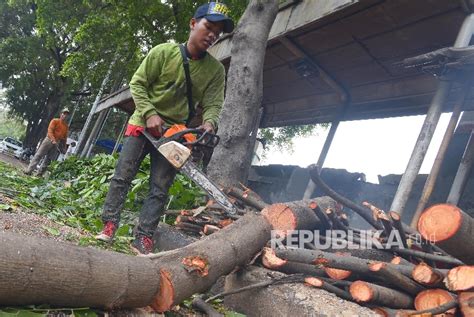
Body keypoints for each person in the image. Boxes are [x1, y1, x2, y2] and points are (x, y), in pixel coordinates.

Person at [95, 2, 234, 255]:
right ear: (193, 24)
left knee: (160, 188)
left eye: (218, 31)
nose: (213, 34)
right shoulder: (163, 52)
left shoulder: (215, 71)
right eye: (209, 26)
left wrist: (209, 123)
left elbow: (214, 103)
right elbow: (138, 83)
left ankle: (144, 236)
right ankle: (109, 224)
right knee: (122, 176)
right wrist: (149, 113)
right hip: (143, 125)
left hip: (175, 132)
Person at [25, 108, 70, 176]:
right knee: (39, 155)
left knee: (49, 159)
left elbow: (64, 138)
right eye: (64, 114)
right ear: (61, 114)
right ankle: (29, 170)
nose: (65, 116)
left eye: (67, 115)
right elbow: (50, 131)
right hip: (48, 140)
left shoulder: (66, 127)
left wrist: (64, 147)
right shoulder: (55, 121)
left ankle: (39, 174)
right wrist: (53, 140)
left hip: (56, 142)